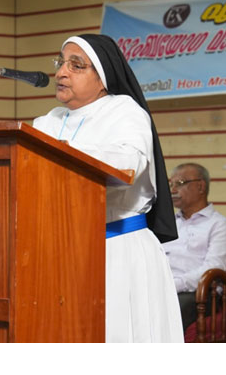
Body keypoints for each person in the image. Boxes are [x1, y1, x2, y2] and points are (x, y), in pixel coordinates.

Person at [33, 34, 183, 342]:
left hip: (118, 247)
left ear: (103, 78)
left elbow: (128, 164)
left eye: (77, 65)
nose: (62, 72)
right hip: (62, 251)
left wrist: (64, 151)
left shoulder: (125, 112)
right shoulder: (47, 121)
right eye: (61, 63)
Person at [161, 163, 226, 331]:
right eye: (171, 184)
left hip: (200, 294)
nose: (172, 190)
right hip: (163, 287)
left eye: (179, 184)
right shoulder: (169, 223)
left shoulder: (220, 225)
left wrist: (174, 285)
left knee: (171, 309)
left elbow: (213, 268)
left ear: (200, 186)